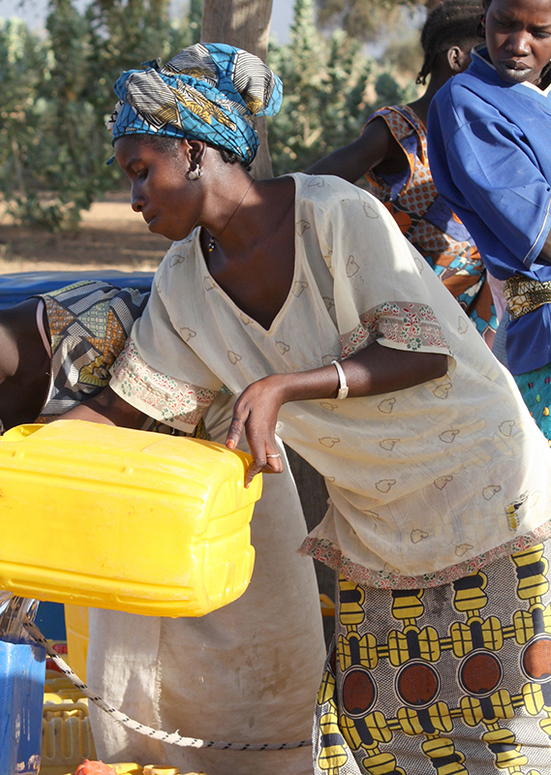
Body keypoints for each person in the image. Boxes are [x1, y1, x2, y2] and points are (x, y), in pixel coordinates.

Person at [60, 42, 551, 772]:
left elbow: (420, 351)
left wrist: (284, 385)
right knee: (381, 738)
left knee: (505, 733)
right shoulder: (183, 282)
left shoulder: (332, 212)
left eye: (140, 171)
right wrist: (14, 463)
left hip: (486, 493)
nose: (133, 197)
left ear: (194, 153)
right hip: (378, 528)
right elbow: (135, 405)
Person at [0, 245, 325, 775]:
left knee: (263, 674)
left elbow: (179, 393)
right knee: (137, 693)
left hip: (227, 491)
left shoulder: (96, 323)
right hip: (123, 541)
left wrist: (36, 463)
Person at [307, 0, 498, 347]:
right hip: (396, 318)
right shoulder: (400, 130)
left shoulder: (483, 139)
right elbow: (317, 181)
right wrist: (259, 202)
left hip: (459, 326)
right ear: (456, 59)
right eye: (485, 57)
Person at [427, 0, 551, 441]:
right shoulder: (467, 104)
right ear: (484, 20)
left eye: (540, 33)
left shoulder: (539, 99)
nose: (518, 45)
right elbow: (541, 233)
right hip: (543, 323)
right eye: (505, 25)